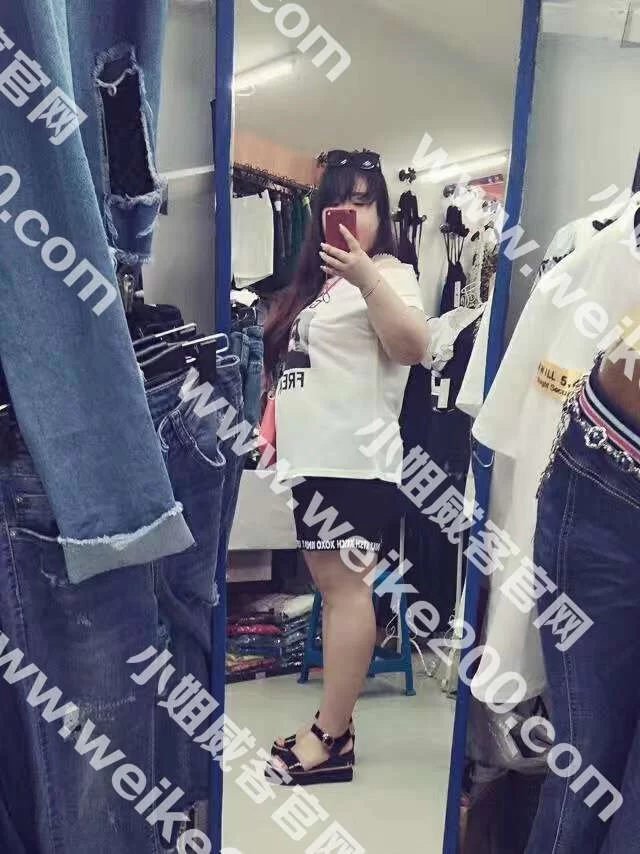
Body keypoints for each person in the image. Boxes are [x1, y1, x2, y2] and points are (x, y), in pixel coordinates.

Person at [262, 149, 430, 786]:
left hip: (355, 462)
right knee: (332, 594)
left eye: (364, 201)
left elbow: (413, 347)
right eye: (339, 200)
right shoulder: (318, 284)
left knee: (346, 592)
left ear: (382, 213)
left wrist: (366, 278)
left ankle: (330, 739)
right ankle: (334, 726)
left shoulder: (390, 272)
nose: (351, 212)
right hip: (314, 460)